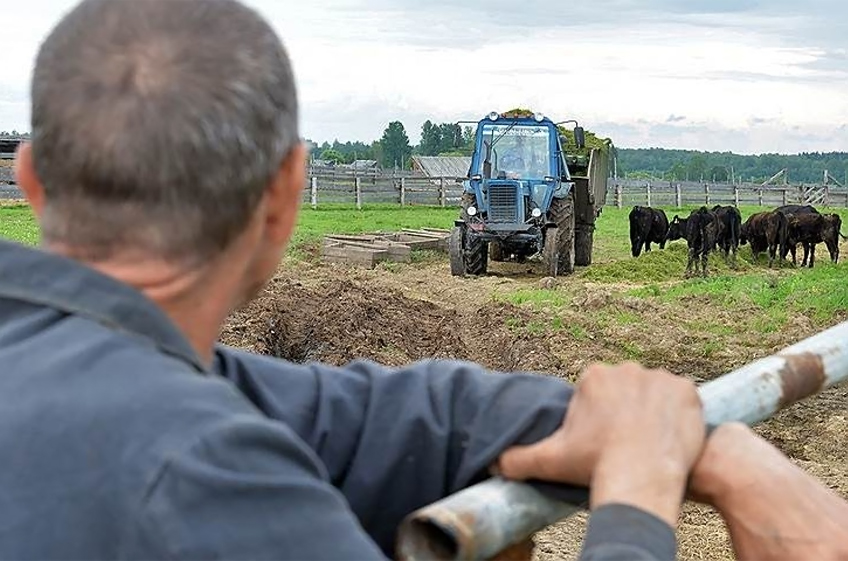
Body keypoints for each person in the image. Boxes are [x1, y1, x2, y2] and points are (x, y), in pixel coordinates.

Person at [0, 1, 846, 560]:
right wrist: (636, 497)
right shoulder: (201, 488)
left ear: (31, 179)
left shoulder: (75, 356)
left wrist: (706, 437)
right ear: (288, 193)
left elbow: (356, 413)